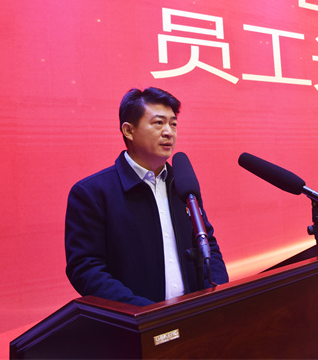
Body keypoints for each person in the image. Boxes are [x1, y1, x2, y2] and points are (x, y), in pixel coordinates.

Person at [64, 87, 228, 307]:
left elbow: (208, 245)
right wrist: (144, 312)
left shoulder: (182, 185)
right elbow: (86, 268)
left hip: (193, 316)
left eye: (173, 124)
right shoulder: (92, 193)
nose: (169, 132)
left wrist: (217, 294)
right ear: (128, 131)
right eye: (159, 123)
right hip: (135, 321)